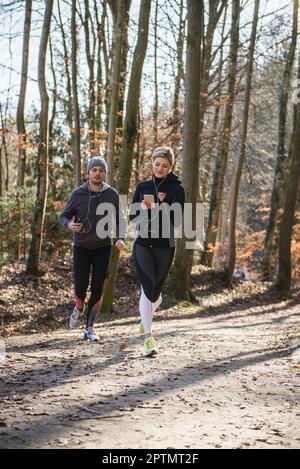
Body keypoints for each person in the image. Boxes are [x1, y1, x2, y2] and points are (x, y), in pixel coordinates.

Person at [60, 156, 126, 341]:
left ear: (105, 173)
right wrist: (69, 225)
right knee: (81, 286)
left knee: (98, 286)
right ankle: (78, 307)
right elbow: (64, 216)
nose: (97, 173)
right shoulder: (78, 193)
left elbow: (121, 219)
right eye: (94, 170)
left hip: (103, 247)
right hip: (81, 246)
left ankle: (89, 328)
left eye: (101, 170)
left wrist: (121, 238)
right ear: (88, 172)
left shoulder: (111, 194)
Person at [129, 147, 185, 356]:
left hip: (165, 245)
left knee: (156, 296)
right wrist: (141, 210)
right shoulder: (143, 186)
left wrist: (163, 205)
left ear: (171, 167)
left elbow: (178, 221)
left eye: (165, 165)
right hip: (143, 242)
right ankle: (149, 339)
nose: (160, 168)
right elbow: (132, 216)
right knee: (147, 287)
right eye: (157, 164)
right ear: (152, 163)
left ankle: (145, 319)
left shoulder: (177, 189)